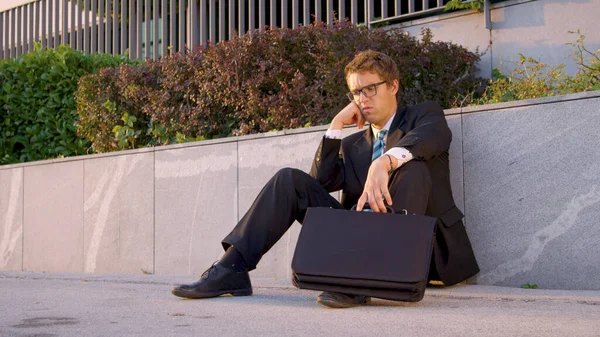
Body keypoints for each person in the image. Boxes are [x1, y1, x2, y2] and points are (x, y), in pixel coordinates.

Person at [171, 50, 479, 308]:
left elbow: (431, 138)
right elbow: (316, 185)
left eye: (370, 88)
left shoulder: (424, 115)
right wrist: (335, 128)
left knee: (412, 169)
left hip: (416, 252)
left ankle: (363, 278)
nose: (363, 99)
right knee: (288, 180)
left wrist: (383, 163)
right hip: (355, 242)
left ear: (393, 86)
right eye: (356, 92)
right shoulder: (352, 144)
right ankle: (231, 268)